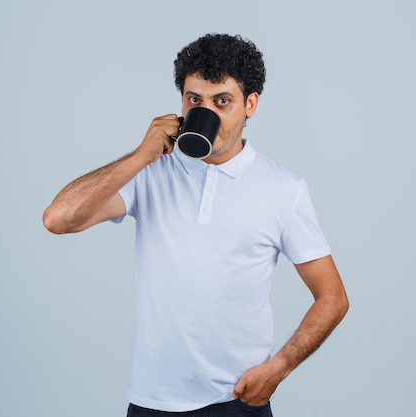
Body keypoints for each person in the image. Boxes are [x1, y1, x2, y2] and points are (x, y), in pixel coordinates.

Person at [43, 33, 349, 417]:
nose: (207, 112)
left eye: (223, 101)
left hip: (236, 402)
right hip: (151, 402)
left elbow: (333, 298)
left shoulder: (283, 190)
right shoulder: (150, 172)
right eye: (195, 100)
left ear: (250, 104)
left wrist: (280, 367)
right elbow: (59, 219)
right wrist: (141, 155)